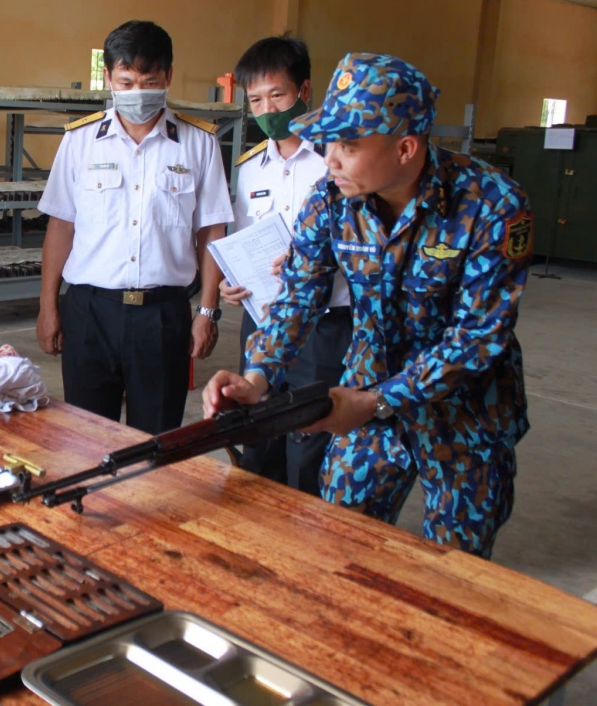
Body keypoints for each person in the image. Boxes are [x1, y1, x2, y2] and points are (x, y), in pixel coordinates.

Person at [202, 53, 533, 558]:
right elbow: (298, 295)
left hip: (467, 416)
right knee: (339, 545)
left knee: (456, 569)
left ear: (405, 147)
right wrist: (258, 376)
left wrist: (376, 400)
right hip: (367, 405)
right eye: (328, 141)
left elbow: (477, 338)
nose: (330, 158)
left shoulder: (492, 204)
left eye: (348, 145)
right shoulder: (332, 199)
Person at [37, 20, 233, 434]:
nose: (137, 92)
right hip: (90, 312)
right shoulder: (80, 141)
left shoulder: (199, 144)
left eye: (150, 81)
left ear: (169, 77)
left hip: (162, 317)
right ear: (107, 77)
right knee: (86, 441)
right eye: (125, 81)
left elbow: (211, 231)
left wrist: (207, 311)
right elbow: (61, 226)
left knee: (158, 441)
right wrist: (48, 305)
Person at [221, 36, 351, 496]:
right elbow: (239, 239)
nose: (266, 108)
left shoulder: (336, 162)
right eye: (255, 99)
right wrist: (229, 283)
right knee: (258, 434)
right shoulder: (251, 168)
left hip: (325, 326)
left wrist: (309, 262)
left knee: (311, 440)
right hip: (262, 320)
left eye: (277, 95)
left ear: (305, 91)